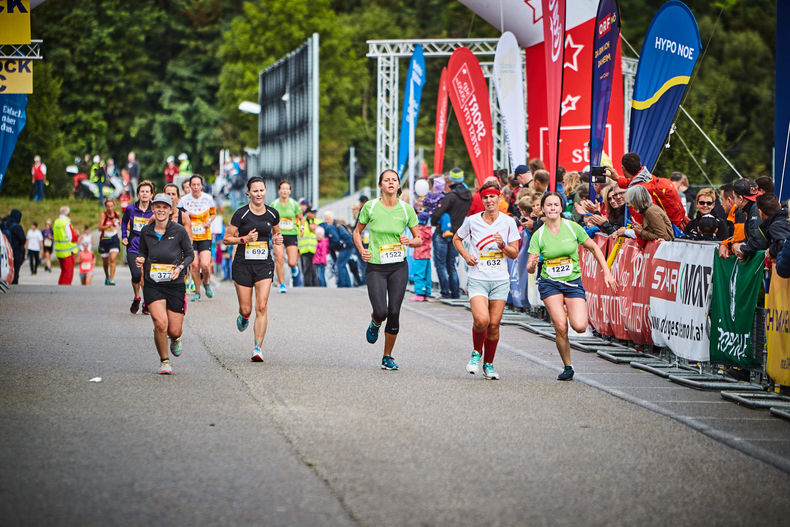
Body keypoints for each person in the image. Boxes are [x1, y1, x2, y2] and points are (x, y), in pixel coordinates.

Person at [527, 192, 617, 380]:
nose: (552, 208)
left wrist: (607, 271)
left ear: (561, 208)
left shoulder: (572, 227)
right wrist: (533, 264)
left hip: (572, 282)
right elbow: (529, 268)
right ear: (542, 208)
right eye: (548, 205)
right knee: (560, 326)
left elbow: (593, 247)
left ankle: (568, 310)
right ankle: (568, 366)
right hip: (549, 283)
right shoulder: (538, 234)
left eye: (556, 205)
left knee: (580, 326)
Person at [354, 169, 422, 371]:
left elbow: (419, 239)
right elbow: (357, 232)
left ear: (399, 185)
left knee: (394, 311)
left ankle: (387, 356)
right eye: (387, 180)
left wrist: (409, 241)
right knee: (382, 311)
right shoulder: (371, 206)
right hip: (375, 265)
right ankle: (375, 321)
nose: (391, 183)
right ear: (380, 185)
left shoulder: (406, 209)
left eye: (394, 180)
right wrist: (362, 250)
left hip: (398, 266)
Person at [453, 181, 520, 380]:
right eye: (485, 197)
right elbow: (456, 239)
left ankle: (488, 365)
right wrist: (466, 255)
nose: (489, 200)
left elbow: (514, 253)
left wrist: (502, 246)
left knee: (494, 324)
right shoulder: (472, 221)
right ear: (481, 200)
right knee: (482, 320)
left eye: (493, 196)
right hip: (478, 277)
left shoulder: (508, 222)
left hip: (500, 280)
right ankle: (476, 354)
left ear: (499, 198)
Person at [223, 177, 283, 362]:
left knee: (262, 306)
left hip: (264, 264)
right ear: (248, 193)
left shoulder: (273, 214)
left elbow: (277, 233)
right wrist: (244, 239)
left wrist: (278, 240)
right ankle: (244, 316)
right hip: (243, 264)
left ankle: (258, 347)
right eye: (255, 191)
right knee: (246, 308)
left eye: (261, 190)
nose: (259, 194)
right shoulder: (241, 214)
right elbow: (226, 239)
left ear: (266, 192)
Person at [135, 193, 194, 375]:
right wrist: (140, 259)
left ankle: (175, 339)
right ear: (153, 208)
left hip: (174, 283)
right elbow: (142, 252)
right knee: (160, 323)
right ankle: (164, 360)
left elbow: (190, 254)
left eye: (164, 207)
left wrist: (181, 267)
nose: (161, 210)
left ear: (170, 210)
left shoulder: (179, 231)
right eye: (157, 207)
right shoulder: (146, 231)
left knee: (174, 330)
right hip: (153, 284)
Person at [605, 152, 688, 228]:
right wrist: (618, 179)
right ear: (640, 164)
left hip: (665, 232)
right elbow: (633, 182)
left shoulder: (637, 193)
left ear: (623, 168)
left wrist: (639, 243)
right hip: (680, 223)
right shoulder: (648, 178)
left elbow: (640, 222)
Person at [430, 168, 472, 298]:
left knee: (440, 263)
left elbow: (437, 213)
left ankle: (445, 292)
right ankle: (455, 292)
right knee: (451, 263)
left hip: (442, 232)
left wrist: (434, 221)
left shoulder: (451, 196)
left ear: (452, 180)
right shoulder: (468, 196)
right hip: (456, 233)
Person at [178, 175, 217, 301]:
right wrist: (185, 214)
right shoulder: (184, 200)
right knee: (194, 265)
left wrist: (209, 221)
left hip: (205, 235)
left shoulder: (208, 198)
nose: (195, 187)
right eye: (193, 185)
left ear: (201, 185)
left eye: (198, 185)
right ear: (189, 186)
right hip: (190, 237)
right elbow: (178, 216)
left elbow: (213, 213)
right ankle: (197, 291)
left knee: (205, 265)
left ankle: (206, 283)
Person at [121, 180, 155, 313]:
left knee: (147, 276)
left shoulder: (155, 208)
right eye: (142, 191)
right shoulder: (130, 208)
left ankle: (147, 302)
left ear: (152, 195)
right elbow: (124, 222)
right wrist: (124, 236)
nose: (145, 194)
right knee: (136, 275)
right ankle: (137, 297)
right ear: (138, 194)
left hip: (150, 246)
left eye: (147, 192)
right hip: (134, 245)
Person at [270, 180, 302, 293]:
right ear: (279, 191)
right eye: (282, 188)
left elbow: (301, 218)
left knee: (292, 262)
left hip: (291, 234)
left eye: (286, 189)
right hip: (278, 235)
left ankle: (294, 268)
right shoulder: (274, 204)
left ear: (289, 191)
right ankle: (282, 284)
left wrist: (301, 228)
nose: (284, 190)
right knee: (279, 258)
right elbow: (269, 219)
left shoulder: (294, 204)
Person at [740, 193, 790, 261]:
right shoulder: (784, 219)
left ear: (760, 212)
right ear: (780, 205)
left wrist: (771, 251)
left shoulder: (775, 226)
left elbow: (783, 245)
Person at [410, 211, 433, 301]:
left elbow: (414, 242)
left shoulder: (419, 232)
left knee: (419, 274)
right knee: (427, 275)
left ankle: (419, 293)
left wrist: (408, 242)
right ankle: (427, 292)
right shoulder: (429, 231)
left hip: (419, 256)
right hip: (427, 256)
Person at [98, 198, 122, 285]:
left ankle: (112, 279)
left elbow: (121, 225)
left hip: (114, 239)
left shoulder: (117, 214)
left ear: (114, 206)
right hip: (104, 240)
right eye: (108, 206)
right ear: (105, 207)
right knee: (105, 262)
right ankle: (107, 276)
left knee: (112, 259)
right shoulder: (103, 215)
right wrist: (110, 224)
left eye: (111, 206)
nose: (110, 208)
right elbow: (99, 228)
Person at [53, 206, 79, 285]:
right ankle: (65, 288)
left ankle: (60, 286)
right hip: (67, 251)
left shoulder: (56, 222)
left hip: (59, 251)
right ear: (68, 213)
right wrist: (77, 234)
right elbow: (72, 238)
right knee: (68, 273)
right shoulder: (66, 223)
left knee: (63, 271)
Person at [2, 210, 26, 284]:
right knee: (15, 270)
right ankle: (14, 284)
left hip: (5, 250)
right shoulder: (17, 227)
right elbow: (23, 239)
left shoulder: (4, 224)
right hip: (16, 251)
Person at [298, 206, 318, 286]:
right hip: (304, 250)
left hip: (315, 250)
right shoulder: (301, 223)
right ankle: (307, 286)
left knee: (314, 270)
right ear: (308, 213)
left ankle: (316, 286)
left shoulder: (317, 221)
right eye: (312, 213)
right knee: (306, 269)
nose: (314, 214)